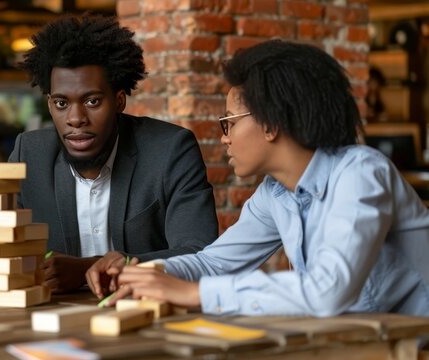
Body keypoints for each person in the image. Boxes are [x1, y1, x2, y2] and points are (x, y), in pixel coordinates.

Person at [110, 40, 429, 318]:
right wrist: (151, 273)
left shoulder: (360, 173)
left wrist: (196, 295)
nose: (225, 138)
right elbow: (214, 263)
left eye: (229, 123)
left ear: (270, 123)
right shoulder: (275, 193)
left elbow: (329, 291)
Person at [0, 15, 218, 295]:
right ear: (49, 105)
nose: (76, 118)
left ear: (119, 100)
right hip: (53, 322)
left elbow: (200, 254)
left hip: (145, 315)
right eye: (62, 103)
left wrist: (90, 268)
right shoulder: (30, 155)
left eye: (92, 101)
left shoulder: (170, 150)